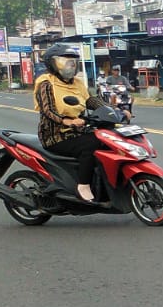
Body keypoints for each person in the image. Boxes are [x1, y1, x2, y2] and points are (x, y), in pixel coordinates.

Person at [35, 43, 117, 202]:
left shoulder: (77, 83)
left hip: (78, 131)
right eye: (66, 61)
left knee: (109, 141)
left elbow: (91, 101)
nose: (71, 65)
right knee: (90, 144)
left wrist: (113, 112)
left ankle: (103, 185)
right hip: (55, 135)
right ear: (53, 63)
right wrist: (67, 121)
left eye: (73, 62)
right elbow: (48, 110)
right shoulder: (46, 83)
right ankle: (83, 185)